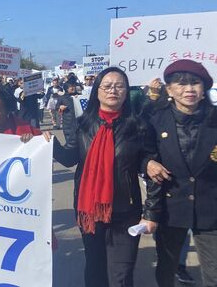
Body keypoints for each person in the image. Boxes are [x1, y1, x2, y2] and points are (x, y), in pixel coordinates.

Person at [50, 67, 161, 287]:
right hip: (89, 211)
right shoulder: (83, 125)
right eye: (107, 86)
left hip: (125, 212)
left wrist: (151, 213)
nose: (113, 90)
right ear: (97, 91)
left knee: (121, 274)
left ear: (127, 92)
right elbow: (70, 158)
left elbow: (153, 172)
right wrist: (47, 142)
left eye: (119, 86)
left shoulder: (139, 127)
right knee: (95, 269)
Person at [144, 59, 217, 287]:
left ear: (204, 89)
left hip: (210, 208)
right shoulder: (155, 121)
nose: (189, 89)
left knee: (214, 273)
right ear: (169, 90)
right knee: (166, 268)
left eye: (195, 83)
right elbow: (142, 152)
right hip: (170, 208)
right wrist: (147, 162)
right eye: (181, 83)